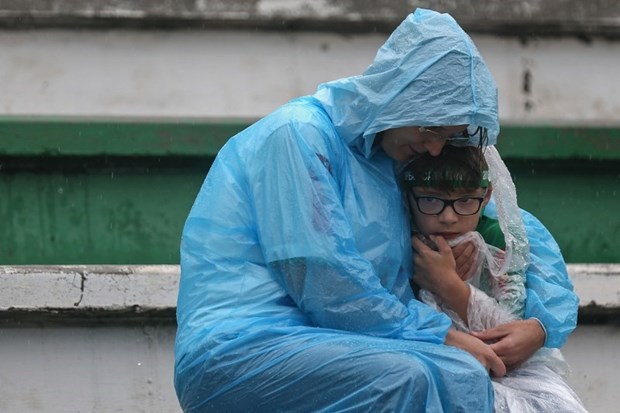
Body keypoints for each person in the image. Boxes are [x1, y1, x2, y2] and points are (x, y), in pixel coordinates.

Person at [174, 8, 579, 412]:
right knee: (418, 377)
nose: (437, 147)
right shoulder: (297, 135)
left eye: (451, 135)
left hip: (351, 345)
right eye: (430, 127)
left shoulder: (400, 154)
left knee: (474, 378)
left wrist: (541, 326)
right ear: (398, 96)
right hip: (242, 350)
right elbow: (324, 279)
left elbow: (515, 228)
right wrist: (440, 335)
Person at [401, 145, 587, 412]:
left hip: (506, 370)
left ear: (487, 196)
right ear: (407, 196)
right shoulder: (394, 238)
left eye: (465, 201)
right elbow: (384, 317)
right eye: (431, 200)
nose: (449, 217)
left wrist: (449, 286)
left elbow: (510, 323)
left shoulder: (502, 237)